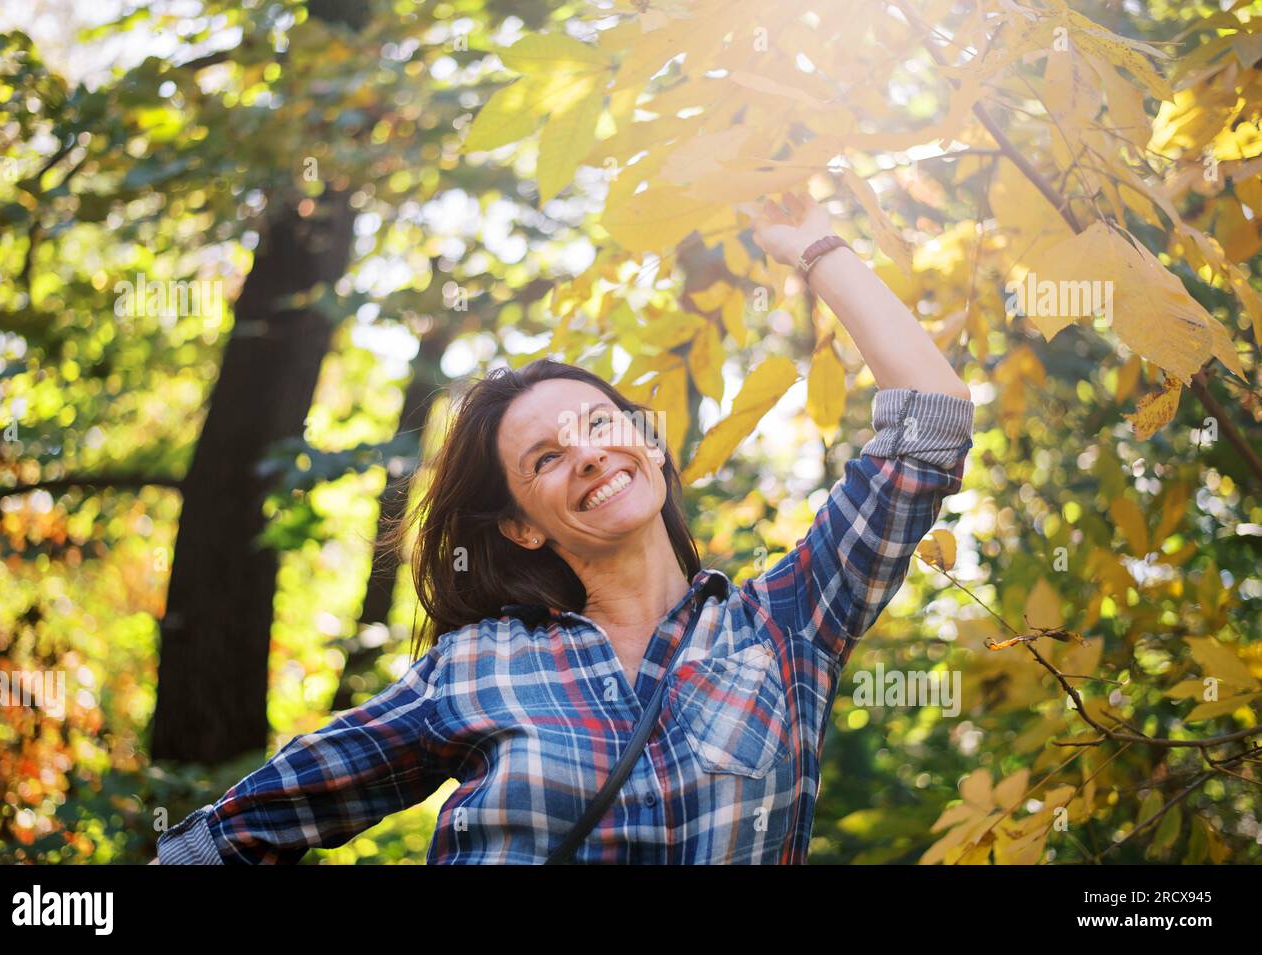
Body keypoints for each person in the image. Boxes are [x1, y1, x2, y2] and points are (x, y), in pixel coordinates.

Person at [153, 190, 973, 864]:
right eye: (545, 457)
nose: (585, 455)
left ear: (645, 441)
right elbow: (238, 833)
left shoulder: (787, 627)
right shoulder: (476, 667)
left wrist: (812, 246)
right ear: (520, 528)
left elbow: (929, 424)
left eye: (598, 422)